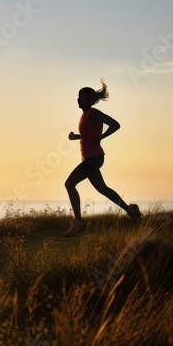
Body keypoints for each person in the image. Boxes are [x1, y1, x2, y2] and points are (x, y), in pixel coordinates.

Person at [63, 79, 141, 236]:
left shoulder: (94, 113)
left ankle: (78, 222)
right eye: (78, 97)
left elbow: (115, 124)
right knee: (103, 189)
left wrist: (102, 137)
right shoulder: (85, 116)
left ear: (89, 100)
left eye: (81, 97)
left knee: (70, 183)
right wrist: (76, 137)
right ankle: (132, 212)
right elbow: (89, 135)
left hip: (94, 157)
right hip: (90, 158)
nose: (78, 100)